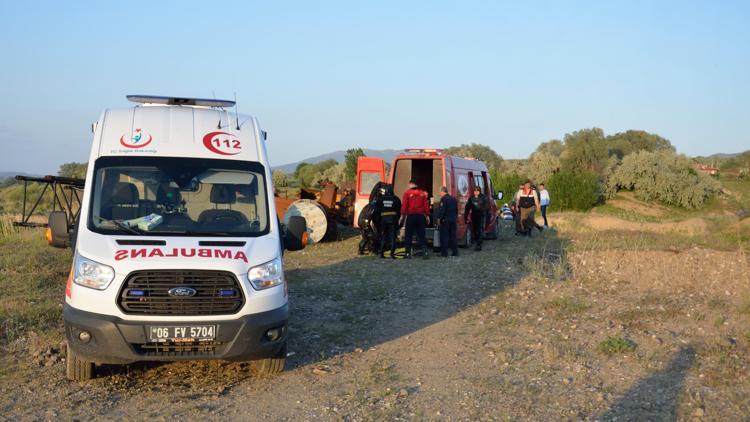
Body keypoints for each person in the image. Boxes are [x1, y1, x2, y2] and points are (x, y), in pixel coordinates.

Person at [399, 179, 430, 259]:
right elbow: (426, 205)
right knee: (421, 235)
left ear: (412, 184)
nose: (409, 185)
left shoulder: (407, 193)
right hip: (420, 217)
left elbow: (404, 206)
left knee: (408, 235)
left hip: (411, 216)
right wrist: (427, 216)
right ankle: (425, 252)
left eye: (410, 184)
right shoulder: (422, 193)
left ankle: (407, 254)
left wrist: (402, 216)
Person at [374, 183, 401, 258]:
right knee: (392, 237)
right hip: (392, 220)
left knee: (383, 236)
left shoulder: (381, 199)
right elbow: (399, 210)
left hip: (383, 220)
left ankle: (382, 254)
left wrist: (378, 221)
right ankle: (392, 254)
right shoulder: (396, 199)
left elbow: (377, 211)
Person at [464, 186, 488, 251]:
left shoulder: (483, 198)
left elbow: (486, 207)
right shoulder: (471, 198)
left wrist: (482, 211)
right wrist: (465, 218)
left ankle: (479, 245)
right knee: (475, 230)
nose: (476, 192)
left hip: (481, 216)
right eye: (475, 191)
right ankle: (477, 241)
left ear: (479, 192)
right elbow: (467, 208)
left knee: (480, 230)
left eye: (477, 191)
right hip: (474, 216)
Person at [437, 186, 458, 257]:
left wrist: (439, 218)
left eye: (440, 192)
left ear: (443, 191)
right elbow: (456, 210)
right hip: (453, 219)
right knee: (453, 236)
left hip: (445, 220)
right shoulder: (453, 199)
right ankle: (455, 252)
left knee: (444, 237)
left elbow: (442, 211)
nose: (439, 194)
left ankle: (444, 253)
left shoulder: (443, 199)